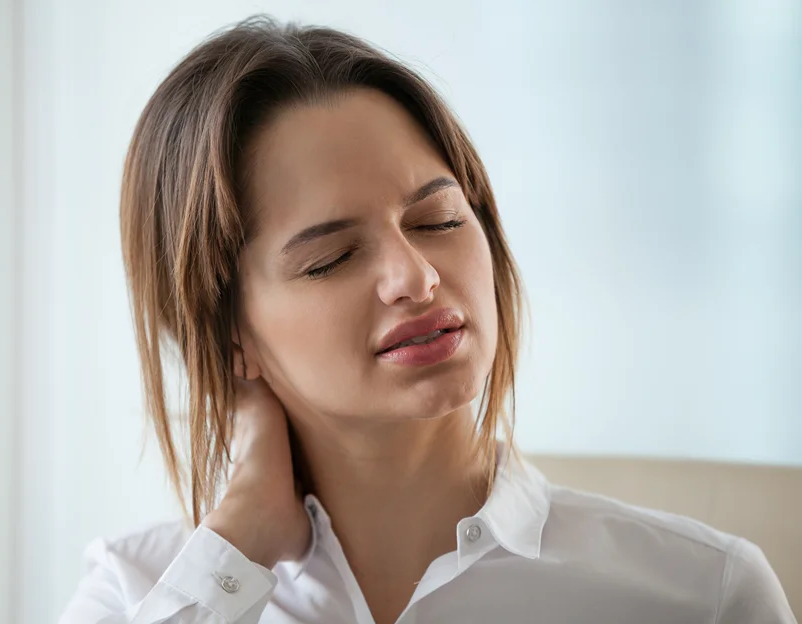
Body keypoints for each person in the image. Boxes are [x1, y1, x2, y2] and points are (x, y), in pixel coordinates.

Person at [59, 15, 796, 624]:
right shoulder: (139, 590)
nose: (416, 276)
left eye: (439, 219)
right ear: (229, 335)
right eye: (332, 258)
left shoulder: (702, 594)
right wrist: (239, 543)